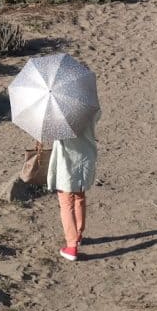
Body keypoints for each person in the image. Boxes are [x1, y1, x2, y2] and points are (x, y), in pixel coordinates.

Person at [46, 111, 99, 262]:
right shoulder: (88, 109)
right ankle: (78, 234)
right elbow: (97, 115)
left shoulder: (58, 116)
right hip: (85, 158)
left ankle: (71, 245)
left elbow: (51, 134)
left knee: (66, 202)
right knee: (79, 197)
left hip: (67, 163)